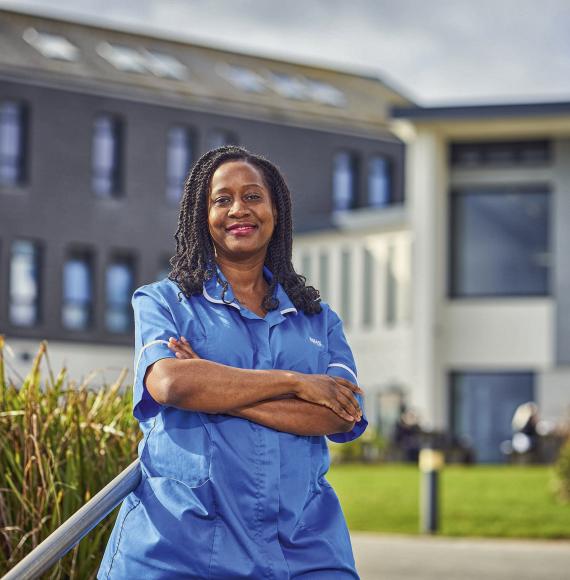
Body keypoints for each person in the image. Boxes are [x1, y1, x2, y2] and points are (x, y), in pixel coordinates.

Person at [98, 146, 368, 579]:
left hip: (303, 545)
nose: (238, 209)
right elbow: (170, 386)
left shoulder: (318, 318)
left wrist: (211, 384)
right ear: (201, 217)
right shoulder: (163, 301)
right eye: (222, 199)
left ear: (275, 211)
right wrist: (296, 383)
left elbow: (341, 414)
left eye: (253, 196)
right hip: (181, 546)